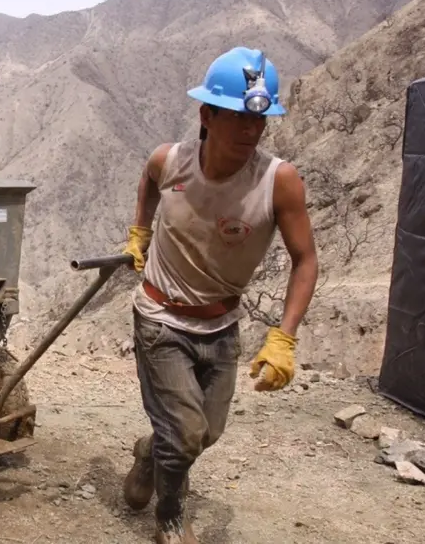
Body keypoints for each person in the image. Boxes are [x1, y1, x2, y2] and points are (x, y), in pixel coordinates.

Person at [119, 47, 319, 543]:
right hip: (160, 317)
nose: (252, 132)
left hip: (221, 325)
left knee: (205, 433)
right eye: (237, 119)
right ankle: (170, 517)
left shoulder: (279, 181)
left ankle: (151, 451)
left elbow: (306, 260)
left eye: (261, 121)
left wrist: (284, 338)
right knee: (185, 434)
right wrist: (139, 232)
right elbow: (147, 179)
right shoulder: (170, 161)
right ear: (206, 114)